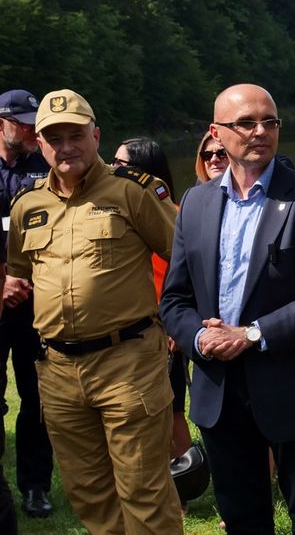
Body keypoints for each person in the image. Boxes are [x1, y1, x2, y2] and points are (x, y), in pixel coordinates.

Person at [160, 83, 295, 534]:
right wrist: (202, 337)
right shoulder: (195, 202)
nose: (260, 131)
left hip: (292, 385)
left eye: (270, 121)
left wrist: (251, 334)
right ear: (217, 132)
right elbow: (174, 298)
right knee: (242, 516)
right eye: (246, 122)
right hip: (220, 390)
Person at [6, 89, 182, 533]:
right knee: (90, 493)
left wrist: (183, 322)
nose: (66, 146)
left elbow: (185, 258)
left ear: (96, 135)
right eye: (54, 137)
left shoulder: (133, 191)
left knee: (144, 491)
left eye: (76, 135)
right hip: (58, 372)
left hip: (128, 363)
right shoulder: (28, 206)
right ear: (39, 143)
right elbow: (23, 273)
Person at [111, 138, 193, 463]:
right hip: (129, 332)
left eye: (120, 163)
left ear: (143, 171)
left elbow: (187, 279)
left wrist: (178, 325)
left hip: (163, 331)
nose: (112, 169)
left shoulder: (172, 217)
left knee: (170, 412)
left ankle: (185, 484)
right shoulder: (120, 215)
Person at [0, 89, 54, 519]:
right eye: (21, 121)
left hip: (38, 302)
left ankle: (35, 487)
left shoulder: (49, 168)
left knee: (37, 399)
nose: (31, 129)